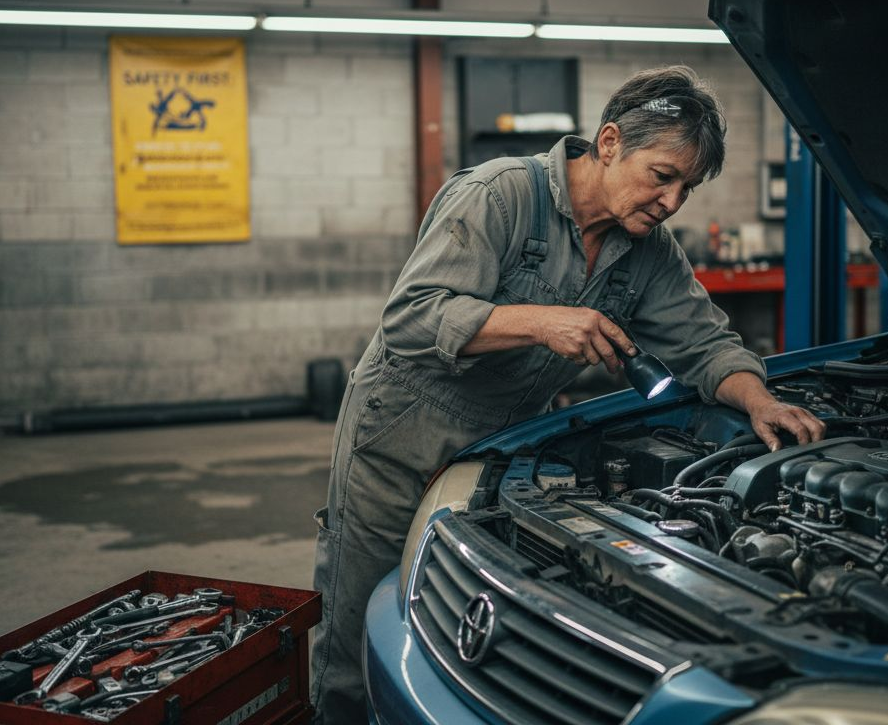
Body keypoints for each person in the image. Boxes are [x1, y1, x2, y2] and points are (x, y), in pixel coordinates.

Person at [309, 65, 826, 723]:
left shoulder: (649, 251)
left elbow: (705, 344)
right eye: (662, 176)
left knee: (476, 630)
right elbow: (411, 320)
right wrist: (543, 322)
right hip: (400, 437)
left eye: (686, 189)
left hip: (506, 449)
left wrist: (759, 400)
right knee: (358, 633)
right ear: (609, 142)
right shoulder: (499, 196)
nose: (671, 202)